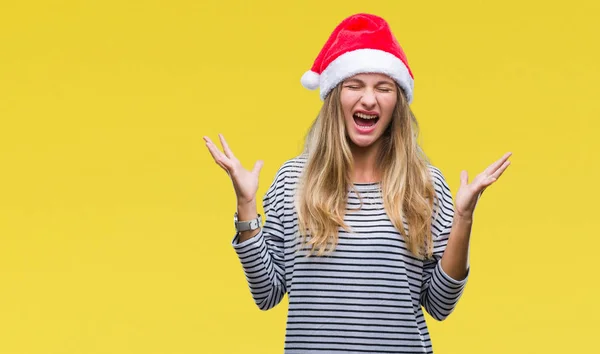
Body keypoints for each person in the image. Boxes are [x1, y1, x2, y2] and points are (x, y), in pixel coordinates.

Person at [204, 13, 511, 354]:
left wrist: (463, 218)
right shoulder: (293, 181)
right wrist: (246, 206)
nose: (369, 99)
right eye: (355, 86)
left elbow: (440, 304)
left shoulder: (424, 184)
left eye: (384, 88)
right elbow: (267, 293)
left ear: (398, 103)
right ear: (335, 96)